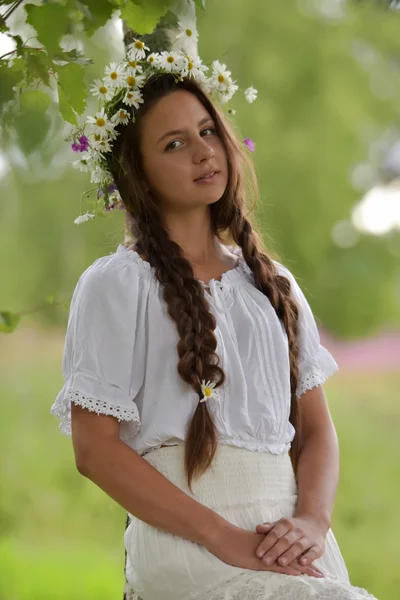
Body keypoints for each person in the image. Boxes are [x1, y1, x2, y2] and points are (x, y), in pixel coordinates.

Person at [51, 38, 379, 600]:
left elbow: (317, 430)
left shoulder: (272, 284)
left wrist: (314, 522)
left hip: (289, 537)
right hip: (188, 542)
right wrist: (220, 535)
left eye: (207, 131)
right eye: (174, 143)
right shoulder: (118, 284)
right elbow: (95, 450)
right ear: (139, 174)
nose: (203, 152)